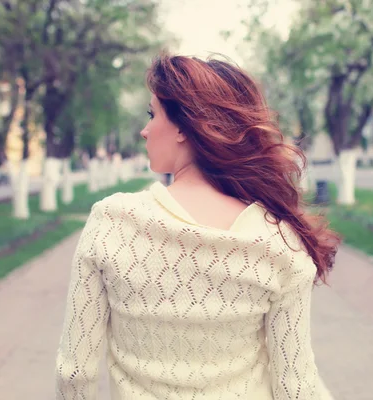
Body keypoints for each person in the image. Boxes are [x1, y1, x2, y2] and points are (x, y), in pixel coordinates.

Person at [55, 53, 340, 399]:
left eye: (152, 114)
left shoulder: (113, 222)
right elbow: (296, 385)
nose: (144, 130)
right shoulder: (278, 242)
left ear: (182, 127)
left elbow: (75, 373)